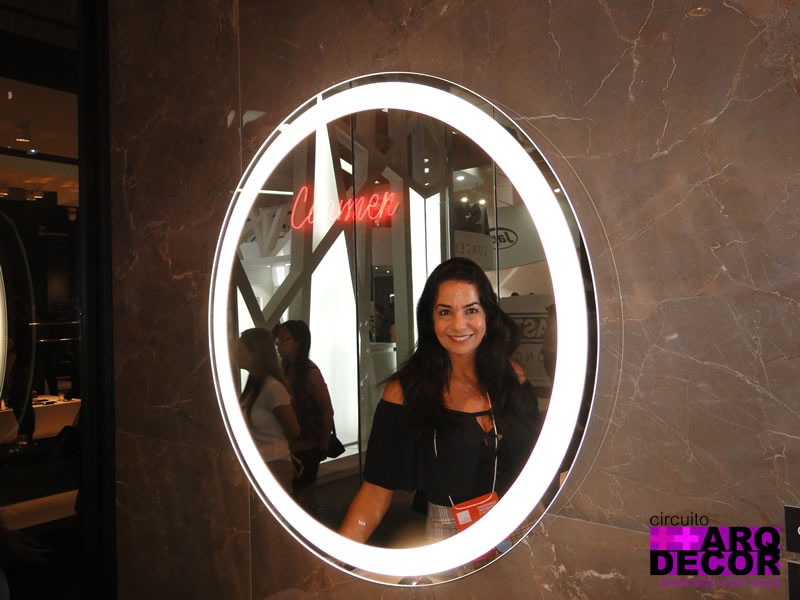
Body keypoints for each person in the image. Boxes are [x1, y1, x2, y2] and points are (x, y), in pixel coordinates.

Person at [339, 257, 542, 551]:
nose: (459, 324)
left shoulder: (513, 380)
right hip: (447, 544)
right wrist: (338, 558)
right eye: (445, 312)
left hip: (520, 533)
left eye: (471, 310)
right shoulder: (405, 392)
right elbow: (376, 490)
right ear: (430, 320)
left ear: (487, 315)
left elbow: (541, 465)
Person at [273, 320, 334, 512]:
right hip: (288, 443)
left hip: (307, 444)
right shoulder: (284, 370)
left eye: (285, 339)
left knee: (304, 498)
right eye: (278, 339)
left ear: (299, 342)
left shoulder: (310, 372)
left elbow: (326, 408)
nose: (279, 343)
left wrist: (324, 442)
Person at [237, 328, 301, 493]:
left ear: (254, 353)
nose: (236, 354)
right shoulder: (253, 387)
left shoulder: (272, 388)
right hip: (260, 463)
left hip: (274, 464)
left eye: (240, 349)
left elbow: (293, 429)